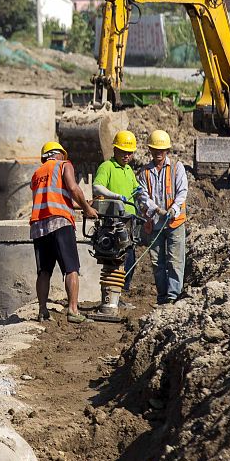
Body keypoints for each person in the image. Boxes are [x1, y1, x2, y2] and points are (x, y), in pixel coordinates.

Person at [30, 140, 97, 324]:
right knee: (71, 268)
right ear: (58, 154)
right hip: (60, 222)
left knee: (44, 271)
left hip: (39, 226)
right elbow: (73, 188)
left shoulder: (37, 174)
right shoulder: (63, 165)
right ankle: (73, 310)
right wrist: (87, 209)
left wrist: (80, 205)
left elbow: (53, 197)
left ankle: (42, 310)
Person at [92, 130, 143, 314]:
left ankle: (119, 295)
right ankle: (111, 297)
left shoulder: (129, 170)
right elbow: (97, 186)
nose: (127, 156)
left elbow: (135, 188)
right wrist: (115, 196)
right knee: (114, 259)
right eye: (123, 152)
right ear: (115, 149)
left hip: (128, 221)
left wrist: (140, 192)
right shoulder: (107, 166)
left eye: (129, 153)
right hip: (113, 222)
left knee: (129, 260)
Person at [139, 129, 189, 305]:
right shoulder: (145, 173)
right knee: (157, 262)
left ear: (167, 150)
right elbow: (143, 196)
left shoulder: (177, 167)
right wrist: (156, 209)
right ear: (150, 150)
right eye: (155, 149)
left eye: (161, 150)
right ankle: (162, 298)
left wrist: (173, 209)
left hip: (175, 222)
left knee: (175, 261)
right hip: (156, 223)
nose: (158, 153)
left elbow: (182, 191)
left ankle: (173, 296)